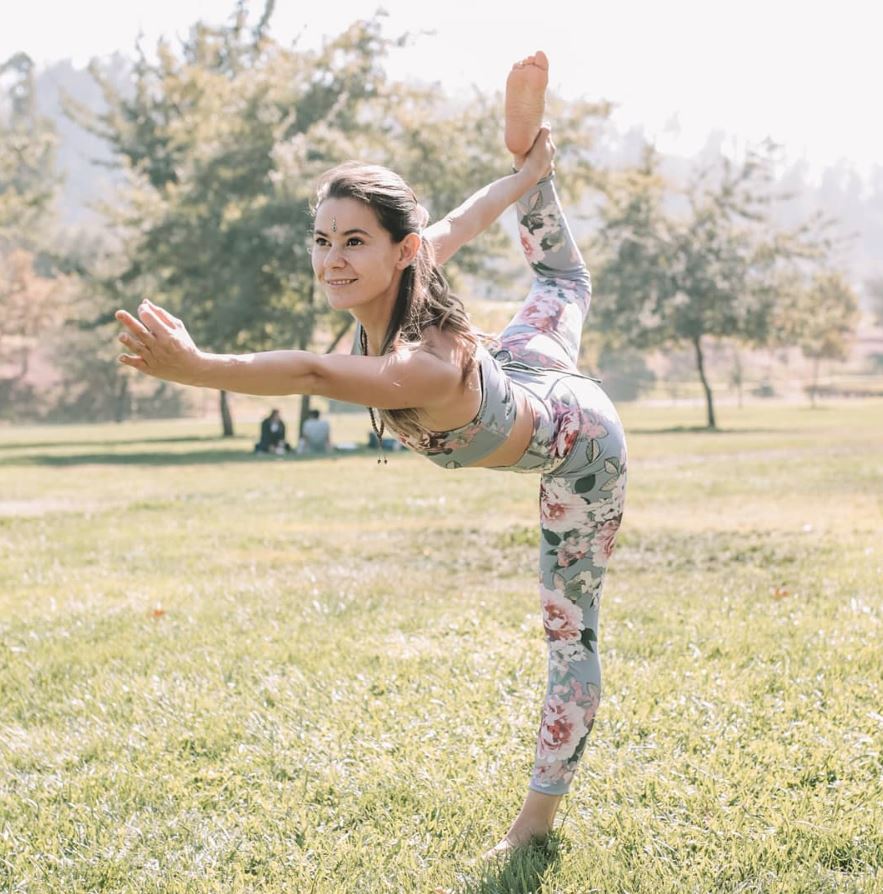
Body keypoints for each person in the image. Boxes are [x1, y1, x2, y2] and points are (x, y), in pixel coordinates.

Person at [115, 51, 626, 860]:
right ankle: (533, 157)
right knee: (562, 282)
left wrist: (201, 367)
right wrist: (514, 179)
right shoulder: (411, 272)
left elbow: (315, 370)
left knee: (570, 635)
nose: (332, 260)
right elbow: (457, 222)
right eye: (322, 240)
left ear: (398, 249)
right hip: (524, 370)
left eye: (354, 241)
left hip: (577, 444)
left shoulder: (422, 361)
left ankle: (534, 826)